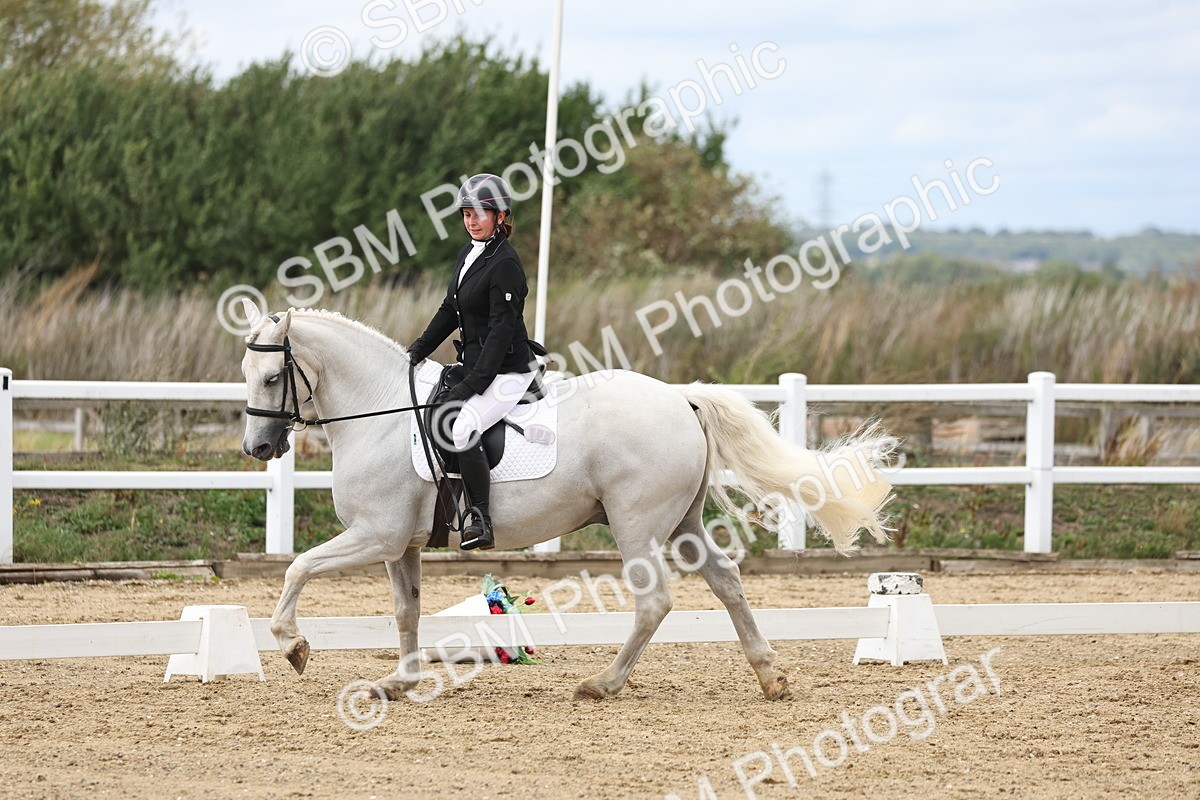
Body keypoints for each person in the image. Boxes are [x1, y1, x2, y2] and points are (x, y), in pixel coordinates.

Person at [407, 173, 538, 551]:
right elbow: (451, 309)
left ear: (500, 217)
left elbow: (499, 335)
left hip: (508, 371)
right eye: (466, 213)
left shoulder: (506, 265)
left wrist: (470, 386)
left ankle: (480, 517)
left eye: (480, 213)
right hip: (478, 363)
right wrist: (418, 349)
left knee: (461, 425)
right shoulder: (469, 254)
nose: (472, 220)